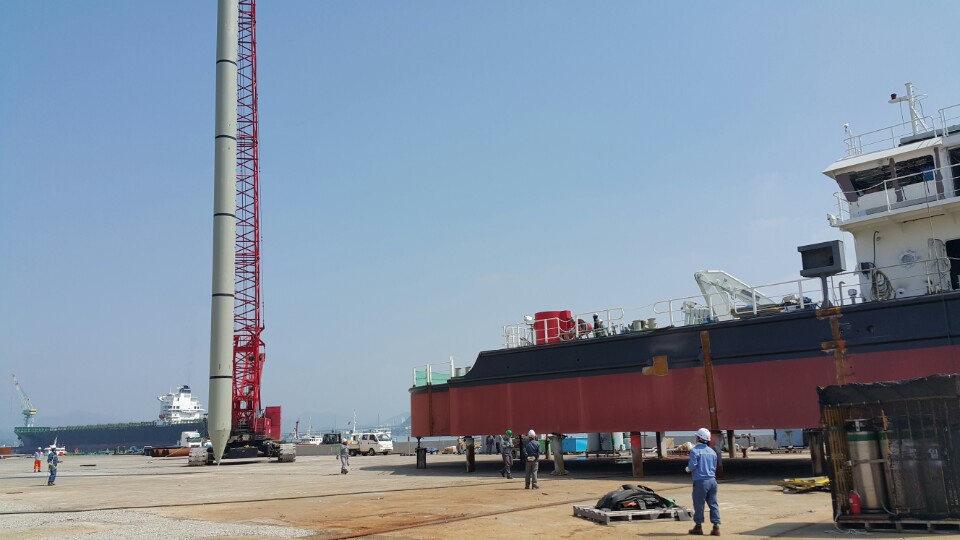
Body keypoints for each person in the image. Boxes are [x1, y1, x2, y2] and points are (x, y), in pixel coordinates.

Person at [686, 428, 720, 536]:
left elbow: (692, 466)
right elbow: (715, 466)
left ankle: (698, 526)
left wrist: (687, 469)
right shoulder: (712, 452)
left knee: (699, 504)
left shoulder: (695, 451)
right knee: (713, 504)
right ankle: (716, 527)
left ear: (699, 438)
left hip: (701, 481)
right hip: (712, 481)